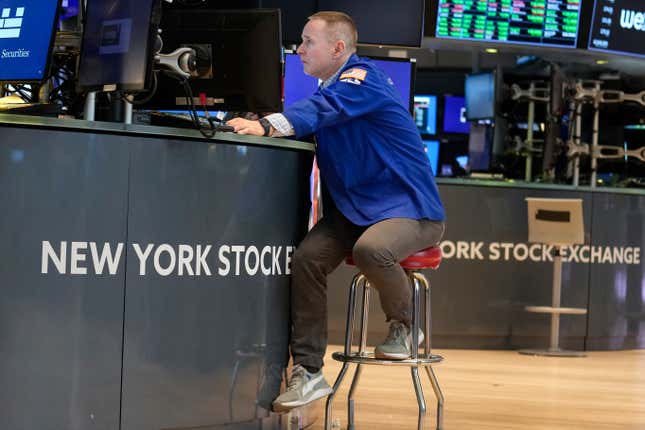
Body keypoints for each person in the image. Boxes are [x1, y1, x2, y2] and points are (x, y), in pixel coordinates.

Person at [227, 11, 446, 413]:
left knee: (371, 251)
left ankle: (405, 326)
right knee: (308, 259)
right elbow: (312, 117)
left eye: (309, 41)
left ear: (338, 48)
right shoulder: (331, 91)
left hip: (410, 210)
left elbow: (321, 109)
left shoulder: (361, 81)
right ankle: (309, 373)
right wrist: (260, 122)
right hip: (354, 212)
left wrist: (269, 126)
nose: (299, 49)